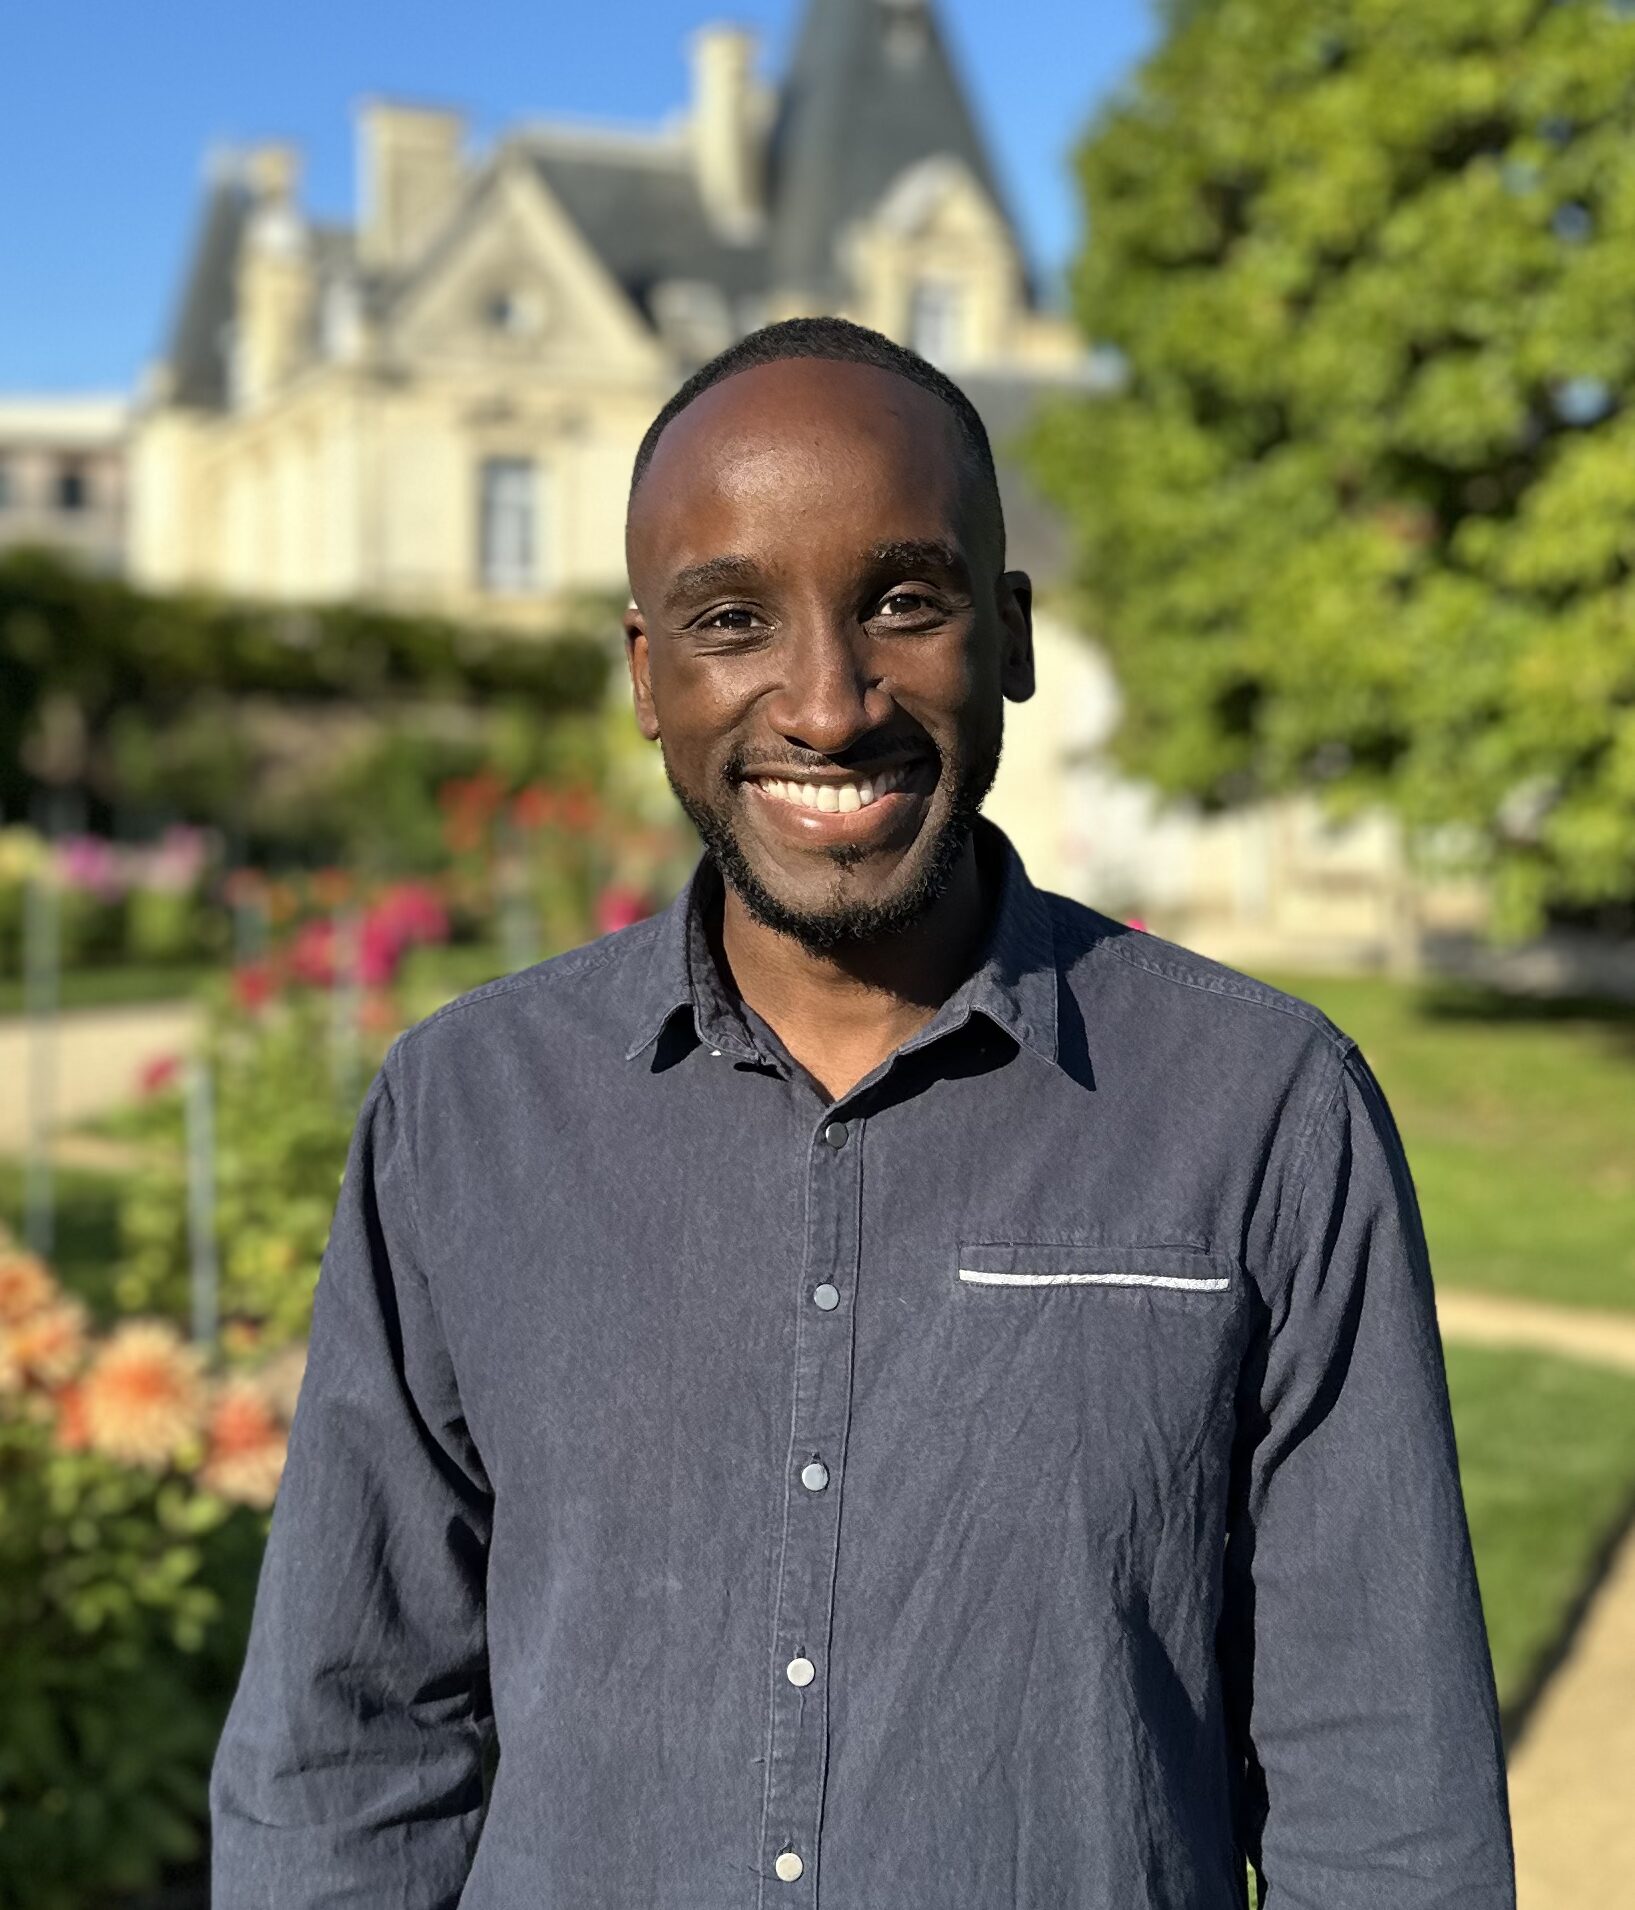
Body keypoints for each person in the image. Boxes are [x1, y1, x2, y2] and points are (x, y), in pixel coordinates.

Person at [209, 316, 1516, 1908]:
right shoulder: (464, 1114)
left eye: (903, 601)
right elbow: (342, 1757)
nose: (828, 706)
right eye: (731, 619)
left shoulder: (1266, 1114)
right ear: (647, 674)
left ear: (1011, 635)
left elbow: (1389, 1804)